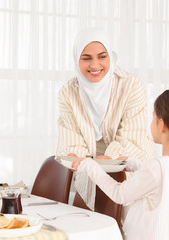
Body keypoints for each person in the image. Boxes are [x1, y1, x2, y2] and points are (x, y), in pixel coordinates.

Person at [72, 86, 169, 240]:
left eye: (153, 117)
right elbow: (161, 180)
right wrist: (128, 163)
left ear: (162, 125)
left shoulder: (158, 169)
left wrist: (89, 166)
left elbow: (119, 194)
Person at [56, 28, 155, 210]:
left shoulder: (131, 86)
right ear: (76, 59)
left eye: (102, 57)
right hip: (92, 173)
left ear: (111, 56)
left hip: (132, 169)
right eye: (86, 58)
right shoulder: (68, 92)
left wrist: (109, 158)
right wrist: (75, 156)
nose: (95, 65)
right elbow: (70, 136)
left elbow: (132, 137)